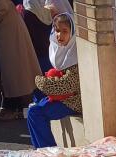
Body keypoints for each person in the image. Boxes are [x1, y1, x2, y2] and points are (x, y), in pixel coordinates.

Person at [25, 11, 77, 148]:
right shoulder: (58, 50)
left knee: (36, 113)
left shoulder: (75, 52)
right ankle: (41, 151)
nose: (60, 35)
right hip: (61, 98)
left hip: (73, 101)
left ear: (72, 32)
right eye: (57, 31)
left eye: (65, 31)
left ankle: (48, 151)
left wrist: (40, 81)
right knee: (33, 109)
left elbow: (67, 85)